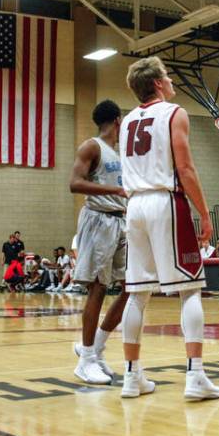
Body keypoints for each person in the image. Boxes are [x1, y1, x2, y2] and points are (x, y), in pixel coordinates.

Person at [118, 57, 219, 401]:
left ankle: (131, 378)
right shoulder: (175, 113)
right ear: (159, 83)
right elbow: (186, 167)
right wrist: (204, 213)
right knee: (190, 288)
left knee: (137, 293)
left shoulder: (126, 121)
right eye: (167, 75)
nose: (171, 79)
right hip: (165, 200)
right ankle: (195, 375)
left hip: (133, 206)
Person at [69, 99, 131, 385]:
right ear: (118, 120)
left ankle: (95, 347)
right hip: (98, 219)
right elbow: (75, 183)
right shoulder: (91, 146)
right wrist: (116, 189)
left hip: (120, 221)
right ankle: (85, 362)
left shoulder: (117, 153)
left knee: (132, 286)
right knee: (97, 288)